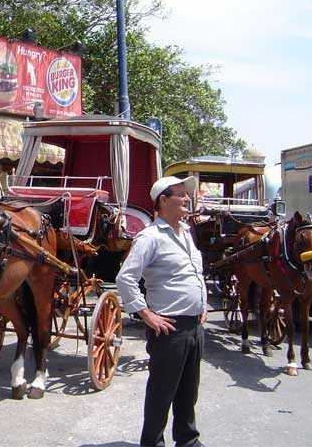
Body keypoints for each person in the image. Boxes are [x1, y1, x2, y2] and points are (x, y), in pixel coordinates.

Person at [116, 176, 207, 447]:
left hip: (194, 326)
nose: (186, 198)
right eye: (180, 194)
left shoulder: (187, 233)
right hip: (170, 328)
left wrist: (202, 304)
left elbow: (194, 272)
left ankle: (188, 440)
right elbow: (125, 278)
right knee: (161, 393)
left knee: (188, 392)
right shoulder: (150, 237)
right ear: (163, 201)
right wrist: (147, 314)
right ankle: (152, 443)